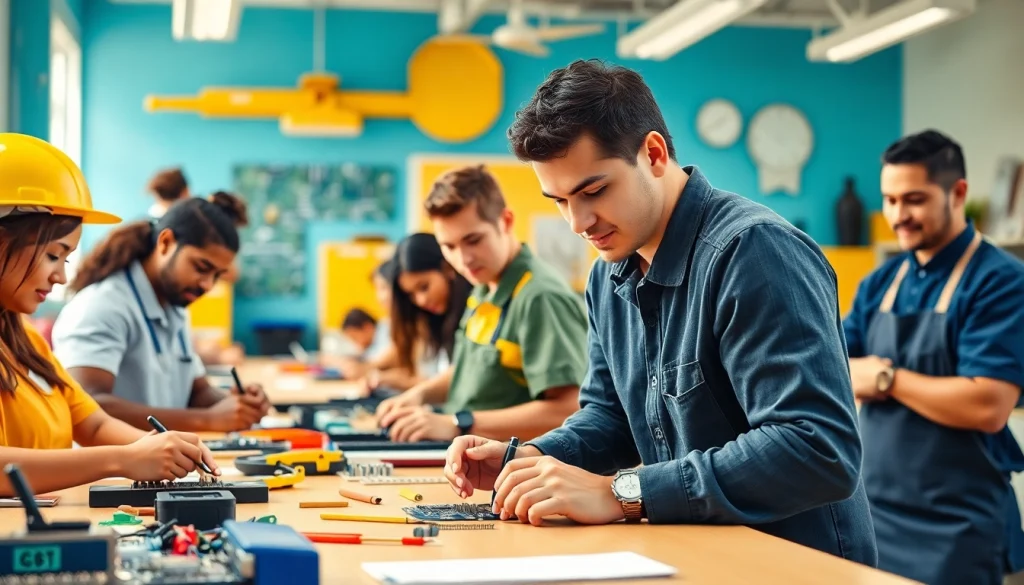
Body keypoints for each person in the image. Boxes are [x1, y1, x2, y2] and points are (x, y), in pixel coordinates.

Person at [442, 59, 877, 567]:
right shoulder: (608, 275)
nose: (578, 222)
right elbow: (612, 418)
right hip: (693, 556)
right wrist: (532, 459)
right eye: (559, 200)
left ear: (653, 153)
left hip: (796, 566)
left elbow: (816, 449)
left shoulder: (754, 252)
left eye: (593, 191)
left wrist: (623, 492)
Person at [842, 130, 1024, 585]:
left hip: (957, 528)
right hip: (875, 514)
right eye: (890, 200)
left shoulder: (1001, 282)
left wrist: (885, 379)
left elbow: (986, 405)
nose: (898, 216)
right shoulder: (880, 283)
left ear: (957, 193)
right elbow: (832, 370)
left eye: (914, 200)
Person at [0, 133, 220, 497]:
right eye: (53, 255)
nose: (61, 276)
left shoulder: (26, 342)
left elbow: (93, 424)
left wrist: (164, 448)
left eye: (66, 258)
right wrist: (121, 460)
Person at [376, 165, 588, 443]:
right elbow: (470, 370)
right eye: (449, 246)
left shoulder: (540, 297)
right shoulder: (484, 287)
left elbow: (569, 410)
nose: (463, 259)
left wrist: (459, 424)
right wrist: (419, 395)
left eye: (473, 240)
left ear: (506, 222)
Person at [50, 193, 272, 433]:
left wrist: (239, 406)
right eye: (201, 267)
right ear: (165, 242)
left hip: (163, 455)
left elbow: (197, 394)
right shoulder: (102, 305)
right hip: (115, 459)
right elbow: (88, 406)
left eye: (217, 275)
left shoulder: (175, 306)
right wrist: (207, 420)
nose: (208, 285)